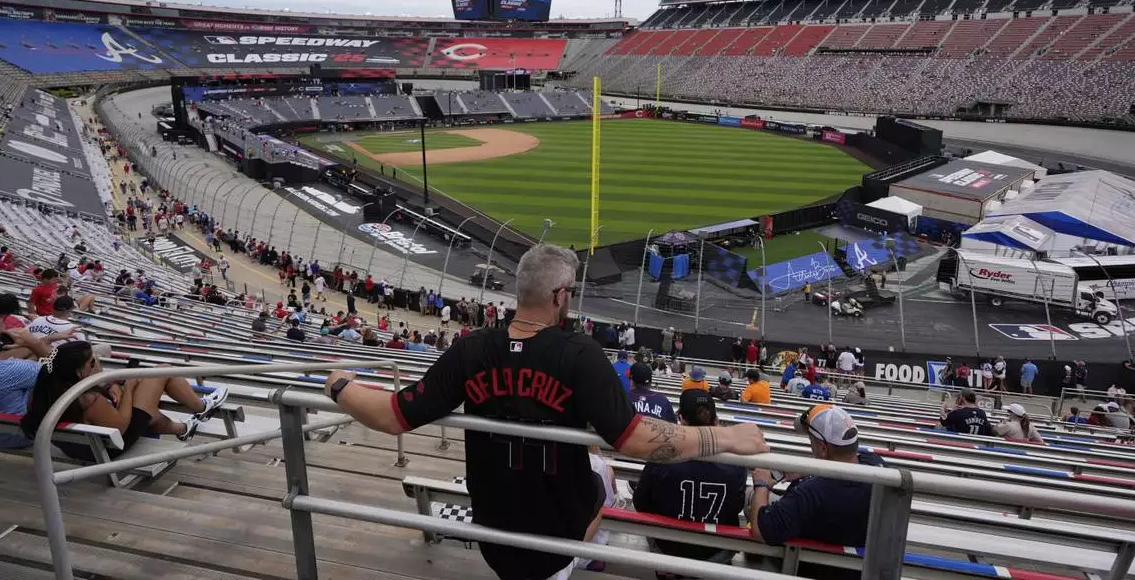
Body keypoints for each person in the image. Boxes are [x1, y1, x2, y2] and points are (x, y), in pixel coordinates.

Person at [322, 244, 767, 580]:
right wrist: (724, 437)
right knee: (602, 482)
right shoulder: (580, 353)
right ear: (559, 295)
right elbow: (634, 438)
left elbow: (391, 415)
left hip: (494, 529)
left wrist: (340, 385)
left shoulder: (471, 349)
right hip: (558, 534)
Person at [20, 342, 229, 458]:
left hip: (79, 447)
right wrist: (127, 388)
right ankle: (202, 407)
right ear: (79, 371)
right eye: (92, 361)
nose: (97, 362)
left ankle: (183, 429)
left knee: (143, 389)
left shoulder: (44, 390)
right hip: (110, 447)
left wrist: (112, 386)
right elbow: (121, 426)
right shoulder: (89, 400)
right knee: (162, 371)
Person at [634, 389, 748, 563]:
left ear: (681, 419)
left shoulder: (661, 456)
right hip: (715, 550)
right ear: (716, 421)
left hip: (667, 547)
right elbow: (736, 507)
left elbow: (640, 503)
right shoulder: (736, 462)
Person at [750, 405, 884, 550]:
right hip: (859, 555)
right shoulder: (876, 465)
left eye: (811, 439)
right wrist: (806, 471)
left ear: (823, 448)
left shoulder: (810, 493)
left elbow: (760, 531)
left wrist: (762, 484)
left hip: (799, 558)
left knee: (750, 496)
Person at [0, 312, 50, 447]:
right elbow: (62, 371)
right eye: (4, 331)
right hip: (14, 437)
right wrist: (34, 344)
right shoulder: (11, 369)